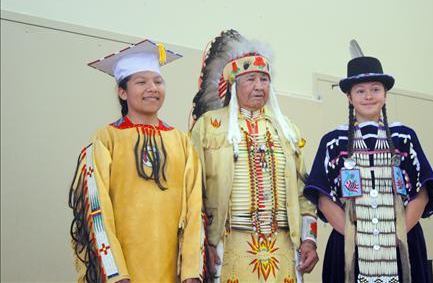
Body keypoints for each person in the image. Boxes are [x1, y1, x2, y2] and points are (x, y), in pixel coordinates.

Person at [69, 39, 204, 283]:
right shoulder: (106, 139)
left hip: (170, 269)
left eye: (158, 81)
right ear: (122, 92)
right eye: (141, 82)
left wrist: (191, 272)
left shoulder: (181, 142)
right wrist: (116, 273)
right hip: (123, 270)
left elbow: (195, 208)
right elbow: (96, 208)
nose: (152, 88)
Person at [190, 30, 318, 283]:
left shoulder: (287, 130)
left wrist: (310, 239)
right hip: (228, 245)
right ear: (234, 84)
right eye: (250, 79)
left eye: (264, 79)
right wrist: (200, 245)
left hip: (282, 245)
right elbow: (193, 191)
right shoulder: (209, 126)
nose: (259, 86)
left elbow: (305, 193)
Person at [304, 43, 433, 283]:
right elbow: (323, 197)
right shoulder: (333, 141)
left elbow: (422, 192)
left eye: (375, 89)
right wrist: (356, 237)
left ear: (385, 95)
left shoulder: (404, 137)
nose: (368, 96)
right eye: (360, 91)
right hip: (349, 245)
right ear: (349, 96)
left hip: (401, 242)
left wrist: (397, 234)